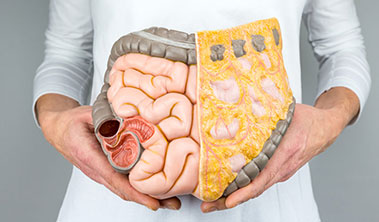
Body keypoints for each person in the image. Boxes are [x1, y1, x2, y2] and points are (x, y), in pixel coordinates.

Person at [33, 0, 371, 221]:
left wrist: (328, 120)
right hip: (109, 208)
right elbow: (66, 54)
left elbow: (342, 47)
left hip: (272, 208)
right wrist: (54, 121)